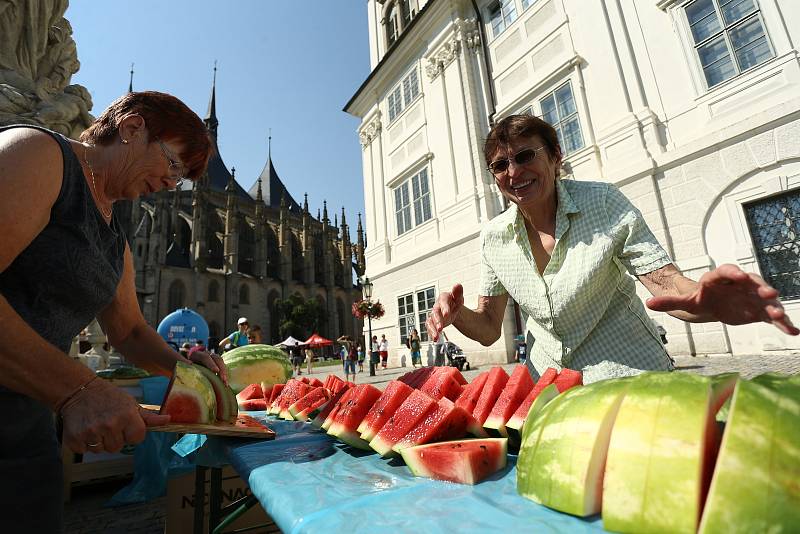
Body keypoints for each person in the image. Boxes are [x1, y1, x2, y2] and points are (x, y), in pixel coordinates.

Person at [425, 114, 798, 384]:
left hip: (630, 376)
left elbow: (665, 284)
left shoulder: (603, 202)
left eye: (525, 156)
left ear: (555, 155)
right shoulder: (494, 237)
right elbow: (490, 327)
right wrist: (456, 314)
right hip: (552, 389)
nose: (513, 172)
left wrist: (703, 299)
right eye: (500, 164)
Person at [0, 91, 227, 532]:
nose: (172, 183)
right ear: (132, 129)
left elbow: (130, 333)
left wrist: (190, 371)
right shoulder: (40, 154)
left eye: (181, 178)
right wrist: (79, 389)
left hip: (25, 426)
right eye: (174, 165)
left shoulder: (114, 231)